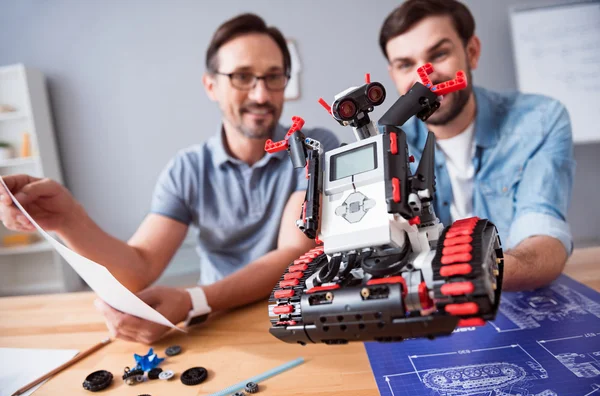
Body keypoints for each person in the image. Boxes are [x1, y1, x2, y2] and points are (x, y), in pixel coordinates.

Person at [0, 13, 339, 343]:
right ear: (211, 85)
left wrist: (195, 300)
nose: (261, 95)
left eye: (273, 76)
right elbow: (139, 267)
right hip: (217, 325)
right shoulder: (187, 169)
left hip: (295, 316)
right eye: (242, 76)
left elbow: (294, 252)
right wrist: (68, 219)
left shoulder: (314, 147)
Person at [378, 0, 575, 291]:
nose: (426, 78)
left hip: (514, 293)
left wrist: (472, 277)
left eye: (440, 54)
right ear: (394, 75)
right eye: (406, 65)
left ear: (471, 53)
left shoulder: (541, 121)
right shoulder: (387, 144)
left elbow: (543, 234)